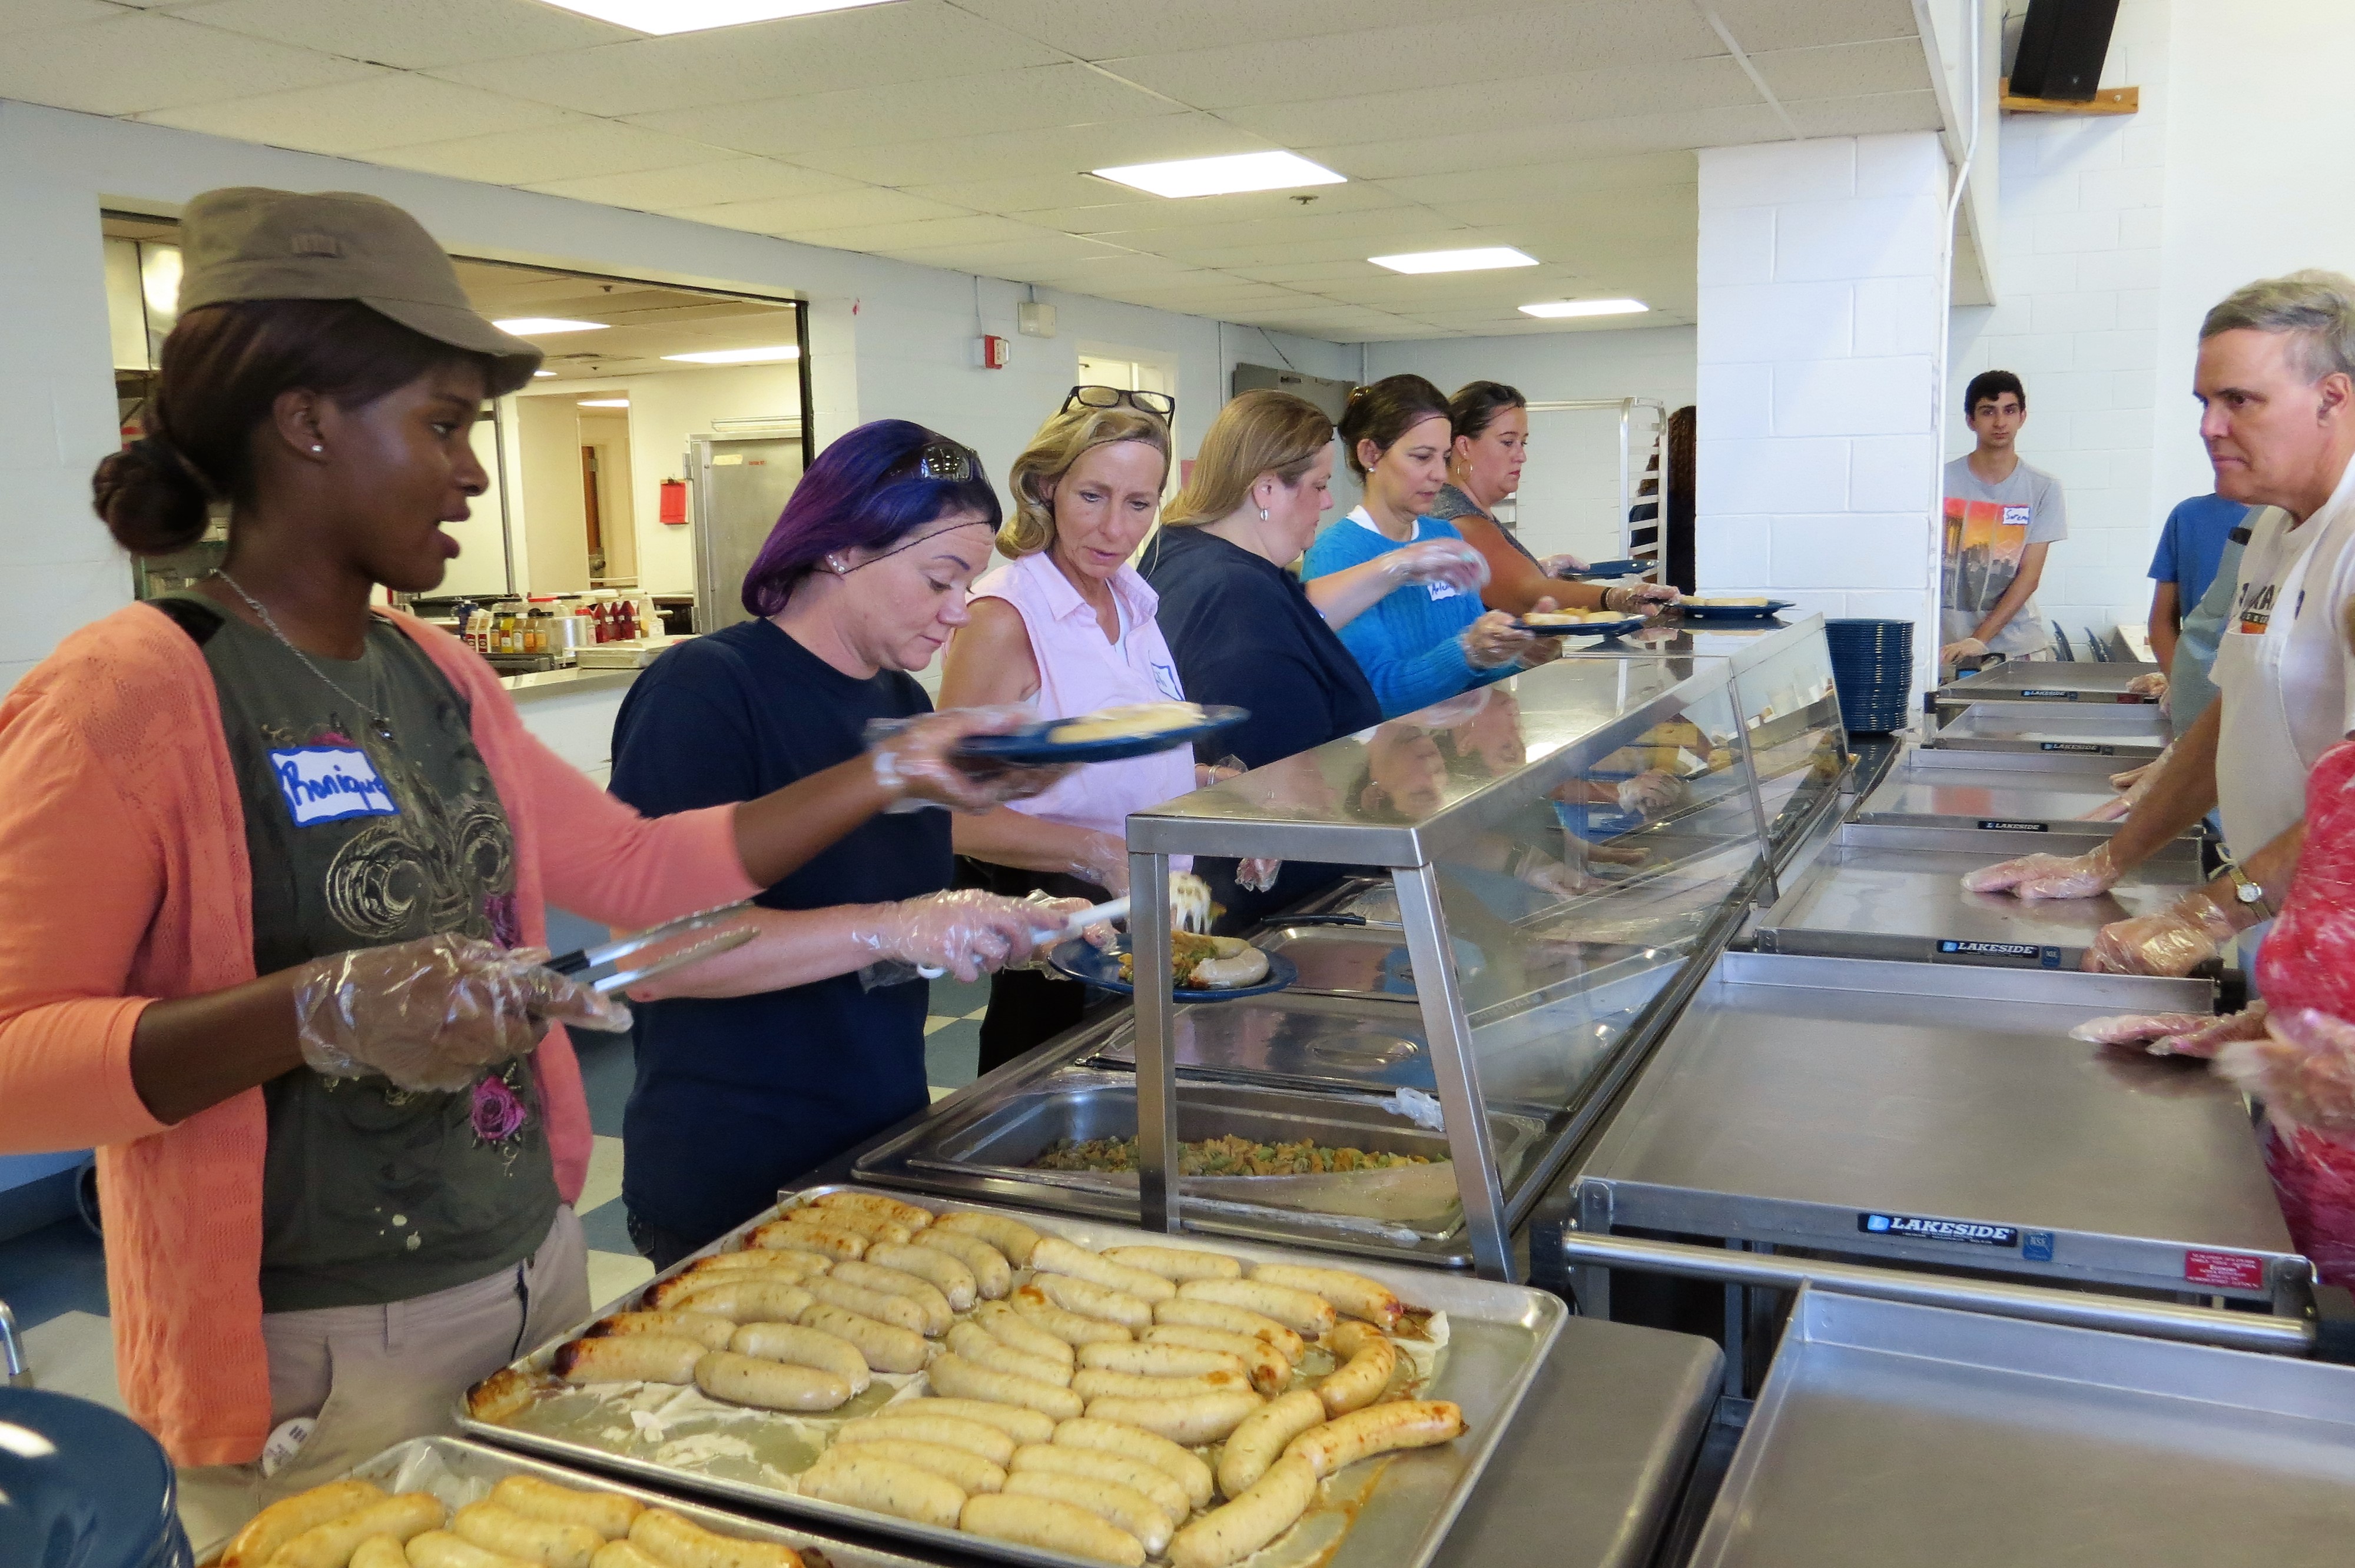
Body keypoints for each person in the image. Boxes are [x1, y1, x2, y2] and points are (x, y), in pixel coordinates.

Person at [0, 188, 1041, 1499]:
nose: (477, 472)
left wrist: (891, 766)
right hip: (314, 1343)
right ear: (306, 422)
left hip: (531, 1273)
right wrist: (312, 1012)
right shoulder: (132, 692)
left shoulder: (435, 671)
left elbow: (637, 869)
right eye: (442, 425)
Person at [608, 421, 1089, 1267]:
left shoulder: (899, 700)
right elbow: (657, 952)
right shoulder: (707, 690)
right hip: (739, 1164)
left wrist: (994, 920)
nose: (959, 610)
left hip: (873, 1141)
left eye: (968, 582)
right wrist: (892, 926)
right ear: (840, 550)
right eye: (940, 578)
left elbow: (876, 909)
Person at [1964, 271, 2355, 979]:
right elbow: (2236, 714)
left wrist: (2206, 914)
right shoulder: (2269, 530)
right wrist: (2107, 860)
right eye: (2205, 402)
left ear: (2332, 397)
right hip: (2294, 938)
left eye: (2239, 400)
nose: (2209, 427)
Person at [1140, 389, 1483, 920]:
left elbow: (1300, 616)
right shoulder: (1236, 597)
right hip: (1270, 895)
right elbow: (1283, 779)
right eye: (1320, 485)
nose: (1327, 502)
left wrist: (1399, 567)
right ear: (1266, 489)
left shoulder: (1188, 551)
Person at [940, 395, 1202, 1069]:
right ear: (1046, 486)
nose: (1115, 528)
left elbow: (1107, 754)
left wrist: (1212, 785)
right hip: (1063, 942)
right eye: (1092, 496)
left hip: (1150, 925)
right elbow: (950, 813)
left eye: (1138, 504)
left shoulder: (1131, 601)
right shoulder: (1005, 616)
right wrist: (1098, 852)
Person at [1303, 374, 1561, 717]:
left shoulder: (1444, 537)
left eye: (1444, 457)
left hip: (1447, 744)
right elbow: (1372, 695)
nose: (1440, 474)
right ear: (1371, 454)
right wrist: (1467, 652)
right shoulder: (1337, 555)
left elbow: (1471, 677)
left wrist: (1517, 656)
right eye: (1423, 457)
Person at [1429, 380, 1680, 618]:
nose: (1521, 456)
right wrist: (1616, 597)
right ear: (1464, 446)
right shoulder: (1460, 520)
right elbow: (1526, 593)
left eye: (1523, 443)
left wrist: (1538, 567)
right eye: (1507, 442)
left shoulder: (1469, 511)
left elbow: (1501, 580)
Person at [1940, 370, 2065, 666]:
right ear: (1970, 420)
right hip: (1948, 650)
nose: (1999, 422)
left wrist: (1979, 640)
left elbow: (2029, 576)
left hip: (2018, 649)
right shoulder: (1939, 483)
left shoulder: (2043, 488)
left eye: (2009, 411)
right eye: (1988, 412)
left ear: (2023, 417)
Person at [2146, 491, 2253, 677]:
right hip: (2202, 679)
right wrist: (2184, 685)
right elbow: (2162, 623)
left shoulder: (2297, 521)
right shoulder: (2189, 515)